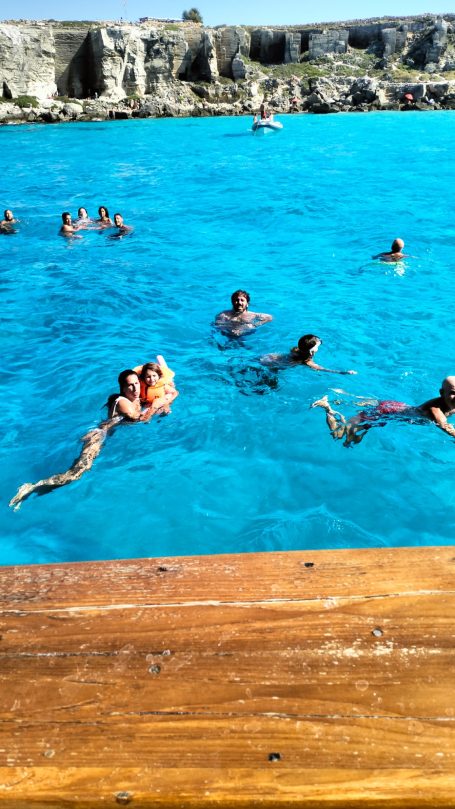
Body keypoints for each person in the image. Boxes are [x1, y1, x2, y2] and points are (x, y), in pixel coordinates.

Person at [9, 370, 165, 510]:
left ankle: (35, 489)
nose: (135, 388)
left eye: (137, 383)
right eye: (130, 385)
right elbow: (140, 419)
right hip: (97, 436)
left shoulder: (136, 399)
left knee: (78, 472)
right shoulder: (122, 401)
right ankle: (31, 488)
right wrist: (156, 406)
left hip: (102, 436)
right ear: (123, 388)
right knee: (76, 473)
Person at [311, 376, 455, 447]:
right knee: (340, 433)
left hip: (398, 406)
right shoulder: (435, 409)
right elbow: (445, 426)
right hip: (386, 412)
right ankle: (327, 407)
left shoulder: (451, 402)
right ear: (442, 393)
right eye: (453, 392)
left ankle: (343, 397)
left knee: (352, 438)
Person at [261, 334, 357, 374]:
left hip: (268, 357)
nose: (318, 348)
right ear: (311, 351)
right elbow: (322, 369)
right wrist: (343, 372)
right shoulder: (307, 361)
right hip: (272, 366)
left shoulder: (295, 349)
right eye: (318, 346)